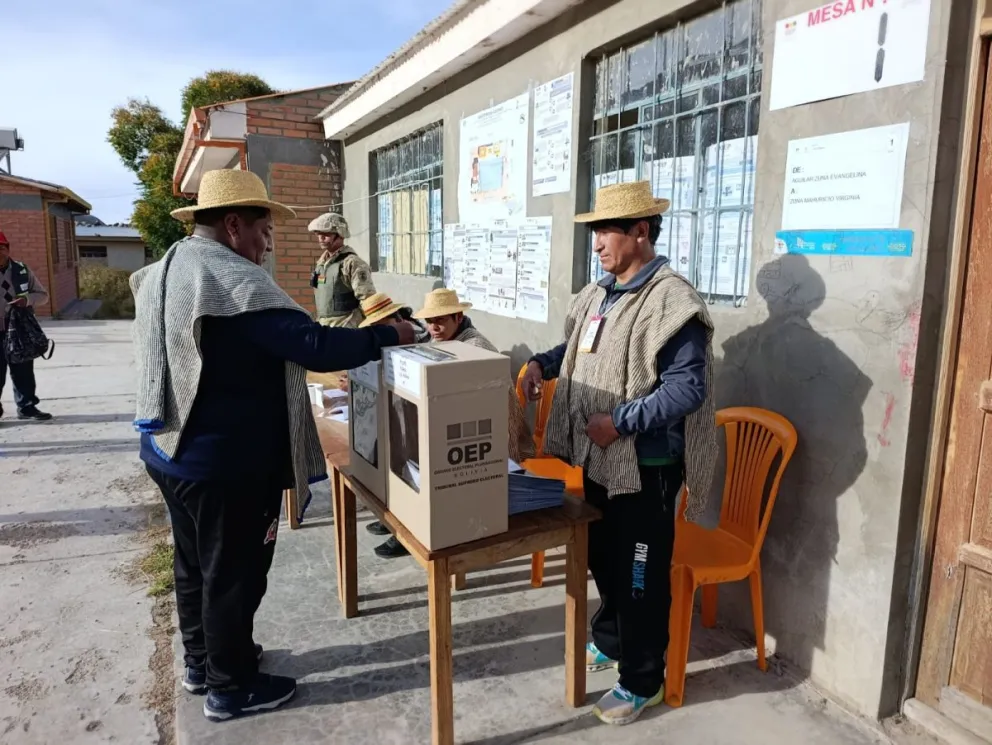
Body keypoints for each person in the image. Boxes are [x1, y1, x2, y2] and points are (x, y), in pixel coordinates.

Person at [131, 170, 416, 723]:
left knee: (195, 566)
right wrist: (391, 335)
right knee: (233, 574)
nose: (267, 245)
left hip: (169, 449)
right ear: (233, 224)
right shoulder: (230, 280)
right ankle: (231, 687)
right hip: (223, 464)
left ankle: (203, 663)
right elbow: (315, 346)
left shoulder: (170, 265)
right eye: (264, 231)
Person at [520, 181, 716, 726]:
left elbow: (686, 389)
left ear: (641, 231)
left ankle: (643, 679)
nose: (598, 242)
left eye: (607, 231)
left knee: (639, 575)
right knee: (604, 558)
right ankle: (611, 640)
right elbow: (578, 348)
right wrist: (541, 364)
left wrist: (620, 422)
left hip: (645, 467)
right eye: (595, 232)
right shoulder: (600, 293)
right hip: (600, 457)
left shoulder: (672, 301)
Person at [413, 288, 535, 464]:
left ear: (458, 317)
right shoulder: (442, 340)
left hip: (494, 438)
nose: (434, 327)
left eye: (440, 320)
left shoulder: (476, 348)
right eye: (429, 321)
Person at [353, 292, 430, 559]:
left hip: (418, 420)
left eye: (381, 326)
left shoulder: (416, 339)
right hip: (398, 414)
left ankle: (408, 532)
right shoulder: (395, 338)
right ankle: (394, 518)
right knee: (394, 463)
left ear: (395, 319)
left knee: (411, 469)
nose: (379, 334)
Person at [0, 230, 52, 421]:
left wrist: (27, 300)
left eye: (1, 248)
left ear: (7, 249)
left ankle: (27, 407)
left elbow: (43, 295)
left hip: (19, 331)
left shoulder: (21, 270)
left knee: (23, 372)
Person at [308, 212, 375, 327]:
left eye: (326, 234)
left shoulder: (352, 263)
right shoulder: (321, 264)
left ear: (340, 234)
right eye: (318, 234)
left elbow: (367, 299)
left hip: (346, 326)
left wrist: (353, 325)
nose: (321, 238)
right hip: (324, 326)